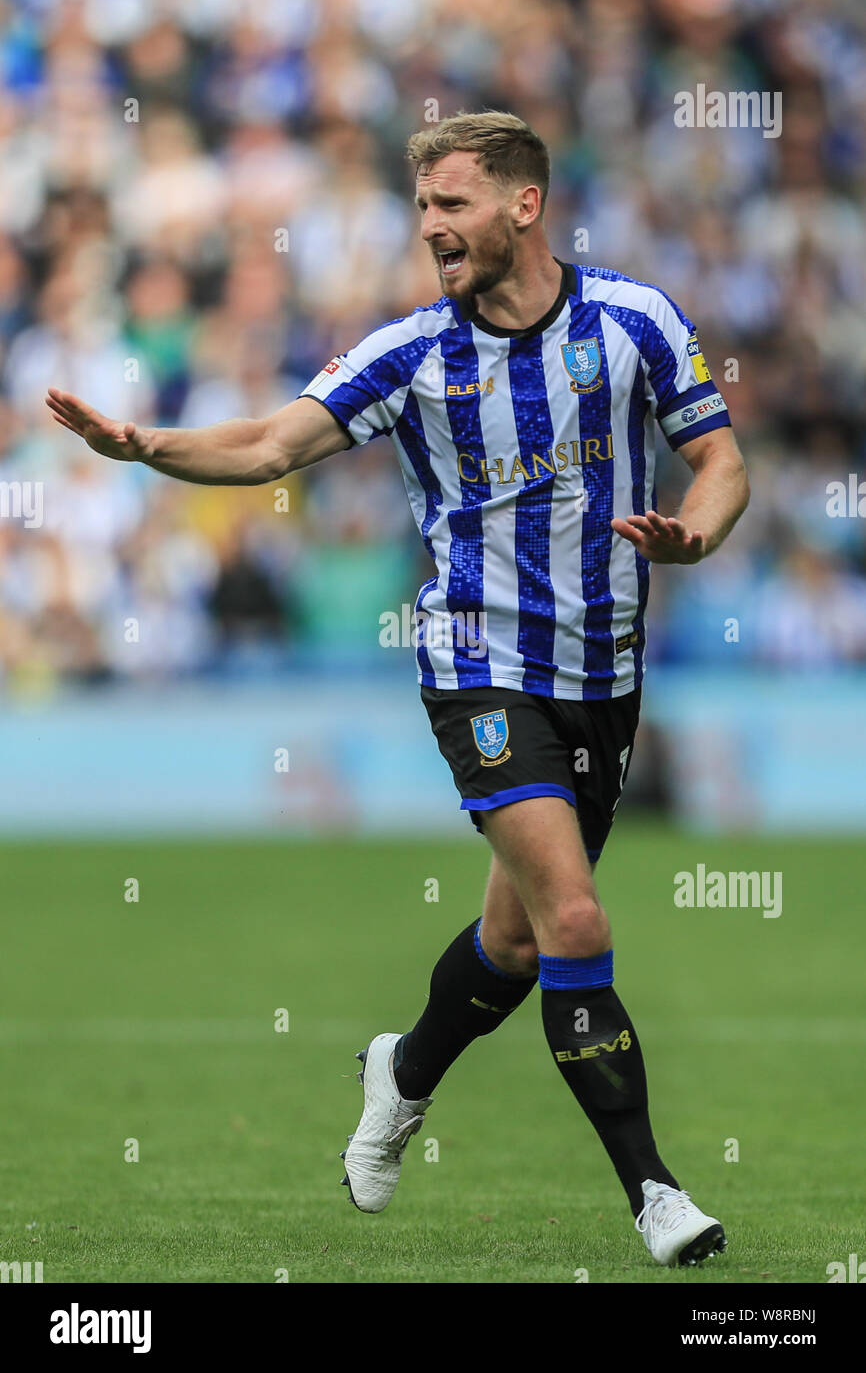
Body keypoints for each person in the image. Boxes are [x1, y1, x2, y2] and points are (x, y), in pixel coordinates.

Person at [46, 110, 750, 1269]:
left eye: (453, 204)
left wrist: (694, 539)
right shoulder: (412, 352)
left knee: (517, 945)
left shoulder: (632, 321)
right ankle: (656, 1196)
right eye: (422, 208)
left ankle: (402, 1069)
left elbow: (717, 458)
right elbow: (273, 445)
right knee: (574, 918)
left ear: (523, 205)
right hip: (475, 662)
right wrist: (145, 445)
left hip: (602, 675)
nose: (432, 228)